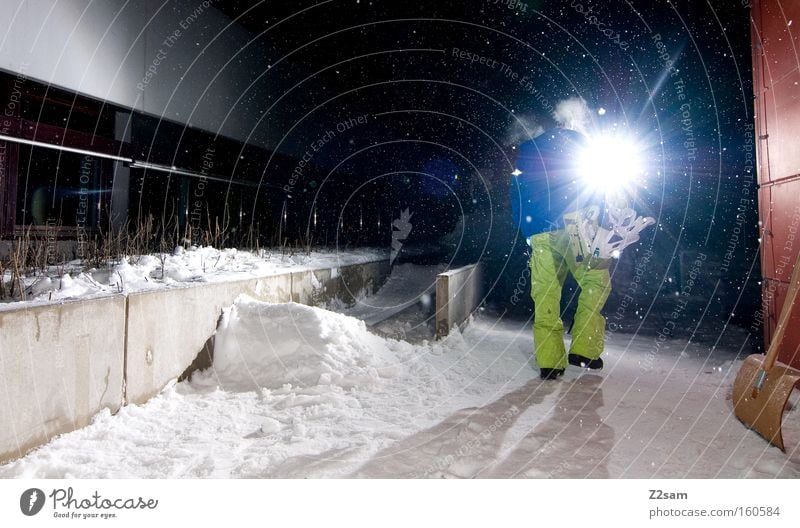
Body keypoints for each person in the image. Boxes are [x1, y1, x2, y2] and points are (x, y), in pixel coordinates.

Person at [510, 128, 612, 380]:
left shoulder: (526, 156)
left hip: (539, 233)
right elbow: (595, 186)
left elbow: (516, 199)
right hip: (575, 223)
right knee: (595, 281)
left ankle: (550, 362)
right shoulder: (577, 143)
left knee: (546, 293)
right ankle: (584, 350)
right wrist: (598, 216)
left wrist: (528, 229)